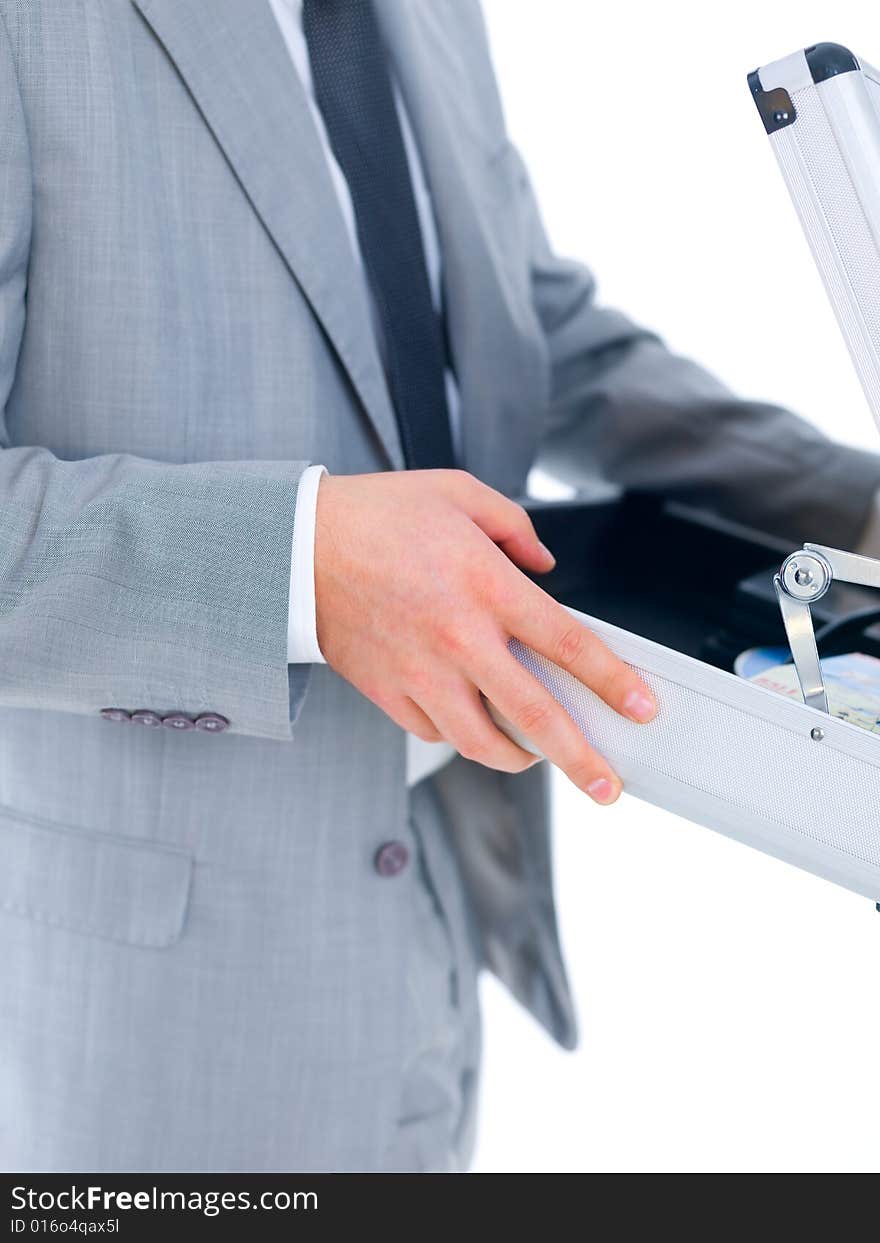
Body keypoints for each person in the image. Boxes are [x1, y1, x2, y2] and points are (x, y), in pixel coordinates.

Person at [0, 0, 877, 1173]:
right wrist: (297, 562)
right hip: (151, 1017)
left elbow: (528, 326)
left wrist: (849, 505)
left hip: (432, 908)